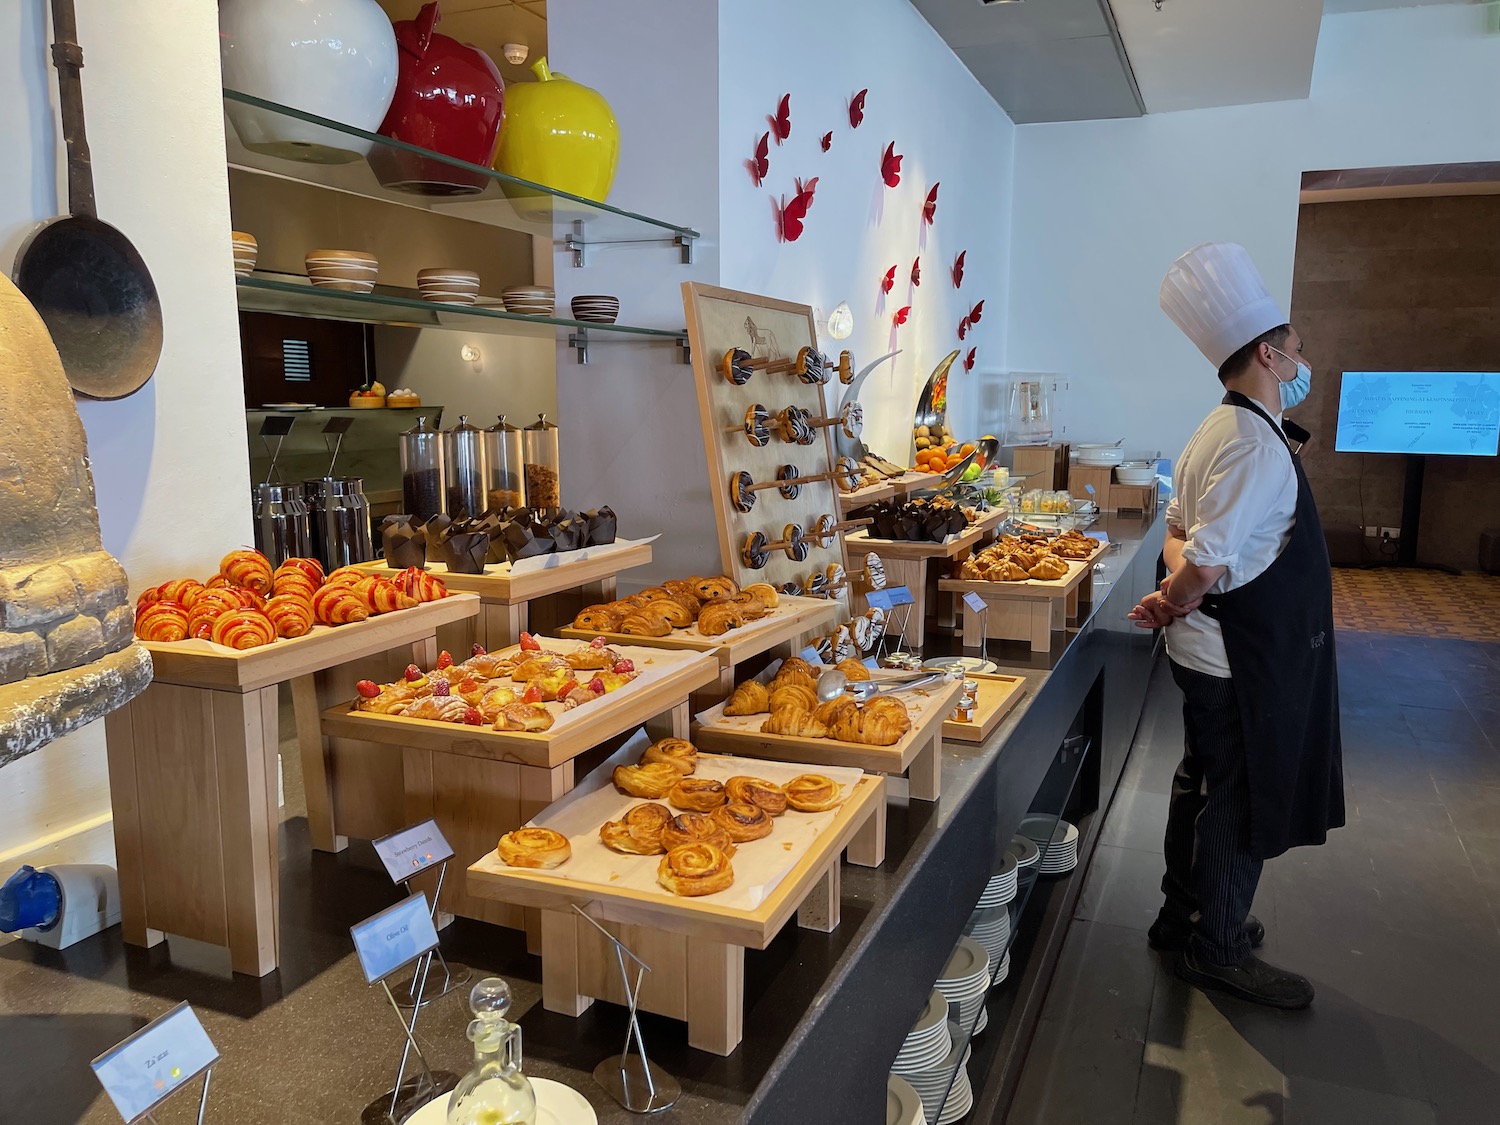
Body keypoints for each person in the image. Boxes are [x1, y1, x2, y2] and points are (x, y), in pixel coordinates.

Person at [1128, 242, 1345, 1010]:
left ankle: (1181, 913)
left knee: (1199, 780)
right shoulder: (1253, 442)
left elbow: (1178, 529)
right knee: (1239, 798)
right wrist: (1178, 594)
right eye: (1295, 349)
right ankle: (1215, 948)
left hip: (1204, 648)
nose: (1302, 359)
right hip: (1234, 656)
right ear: (1267, 352)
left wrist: (1175, 594)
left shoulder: (1214, 428)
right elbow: (1206, 558)